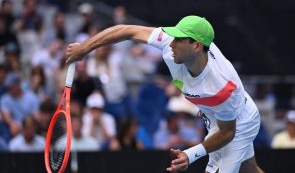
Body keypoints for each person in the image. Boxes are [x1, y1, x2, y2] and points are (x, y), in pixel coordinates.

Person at [65, 15, 263, 173]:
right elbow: (127, 30)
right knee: (249, 169)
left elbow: (228, 132)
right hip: (216, 117)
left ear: (196, 46)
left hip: (238, 123)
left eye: (178, 39)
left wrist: (191, 154)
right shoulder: (170, 44)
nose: (172, 43)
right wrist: (85, 47)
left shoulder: (221, 86)